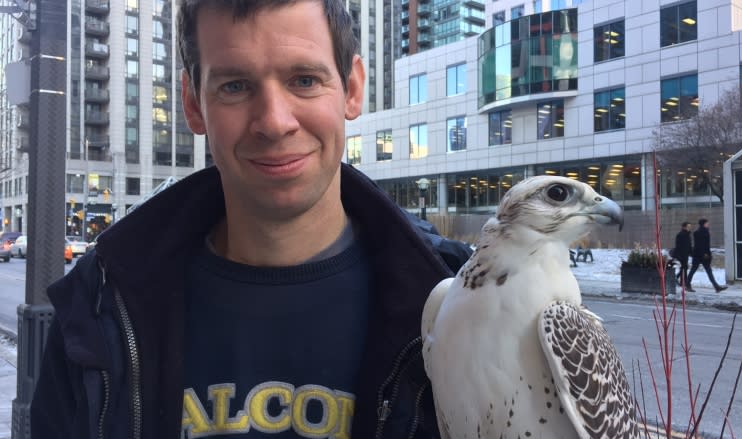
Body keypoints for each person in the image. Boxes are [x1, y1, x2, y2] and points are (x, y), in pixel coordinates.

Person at [30, 1, 472, 437]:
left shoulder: (462, 299)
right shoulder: (96, 308)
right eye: (236, 86)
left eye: (304, 80)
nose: (274, 123)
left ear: (352, 89)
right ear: (193, 104)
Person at [687, 218, 727, 292]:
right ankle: (716, 287)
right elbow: (703, 245)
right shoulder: (704, 232)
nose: (708, 224)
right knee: (703, 270)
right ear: (704, 224)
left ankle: (716, 286)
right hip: (702, 255)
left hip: (697, 254)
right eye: (707, 223)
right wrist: (705, 254)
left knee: (697, 270)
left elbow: (699, 245)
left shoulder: (697, 232)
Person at [673, 221, 695, 291]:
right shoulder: (681, 235)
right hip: (682, 255)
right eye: (688, 227)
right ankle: (685, 284)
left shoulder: (687, 235)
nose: (689, 228)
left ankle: (677, 279)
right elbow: (678, 246)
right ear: (684, 227)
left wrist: (691, 253)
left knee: (684, 268)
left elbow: (689, 246)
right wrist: (680, 255)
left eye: (690, 227)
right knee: (684, 268)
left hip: (686, 255)